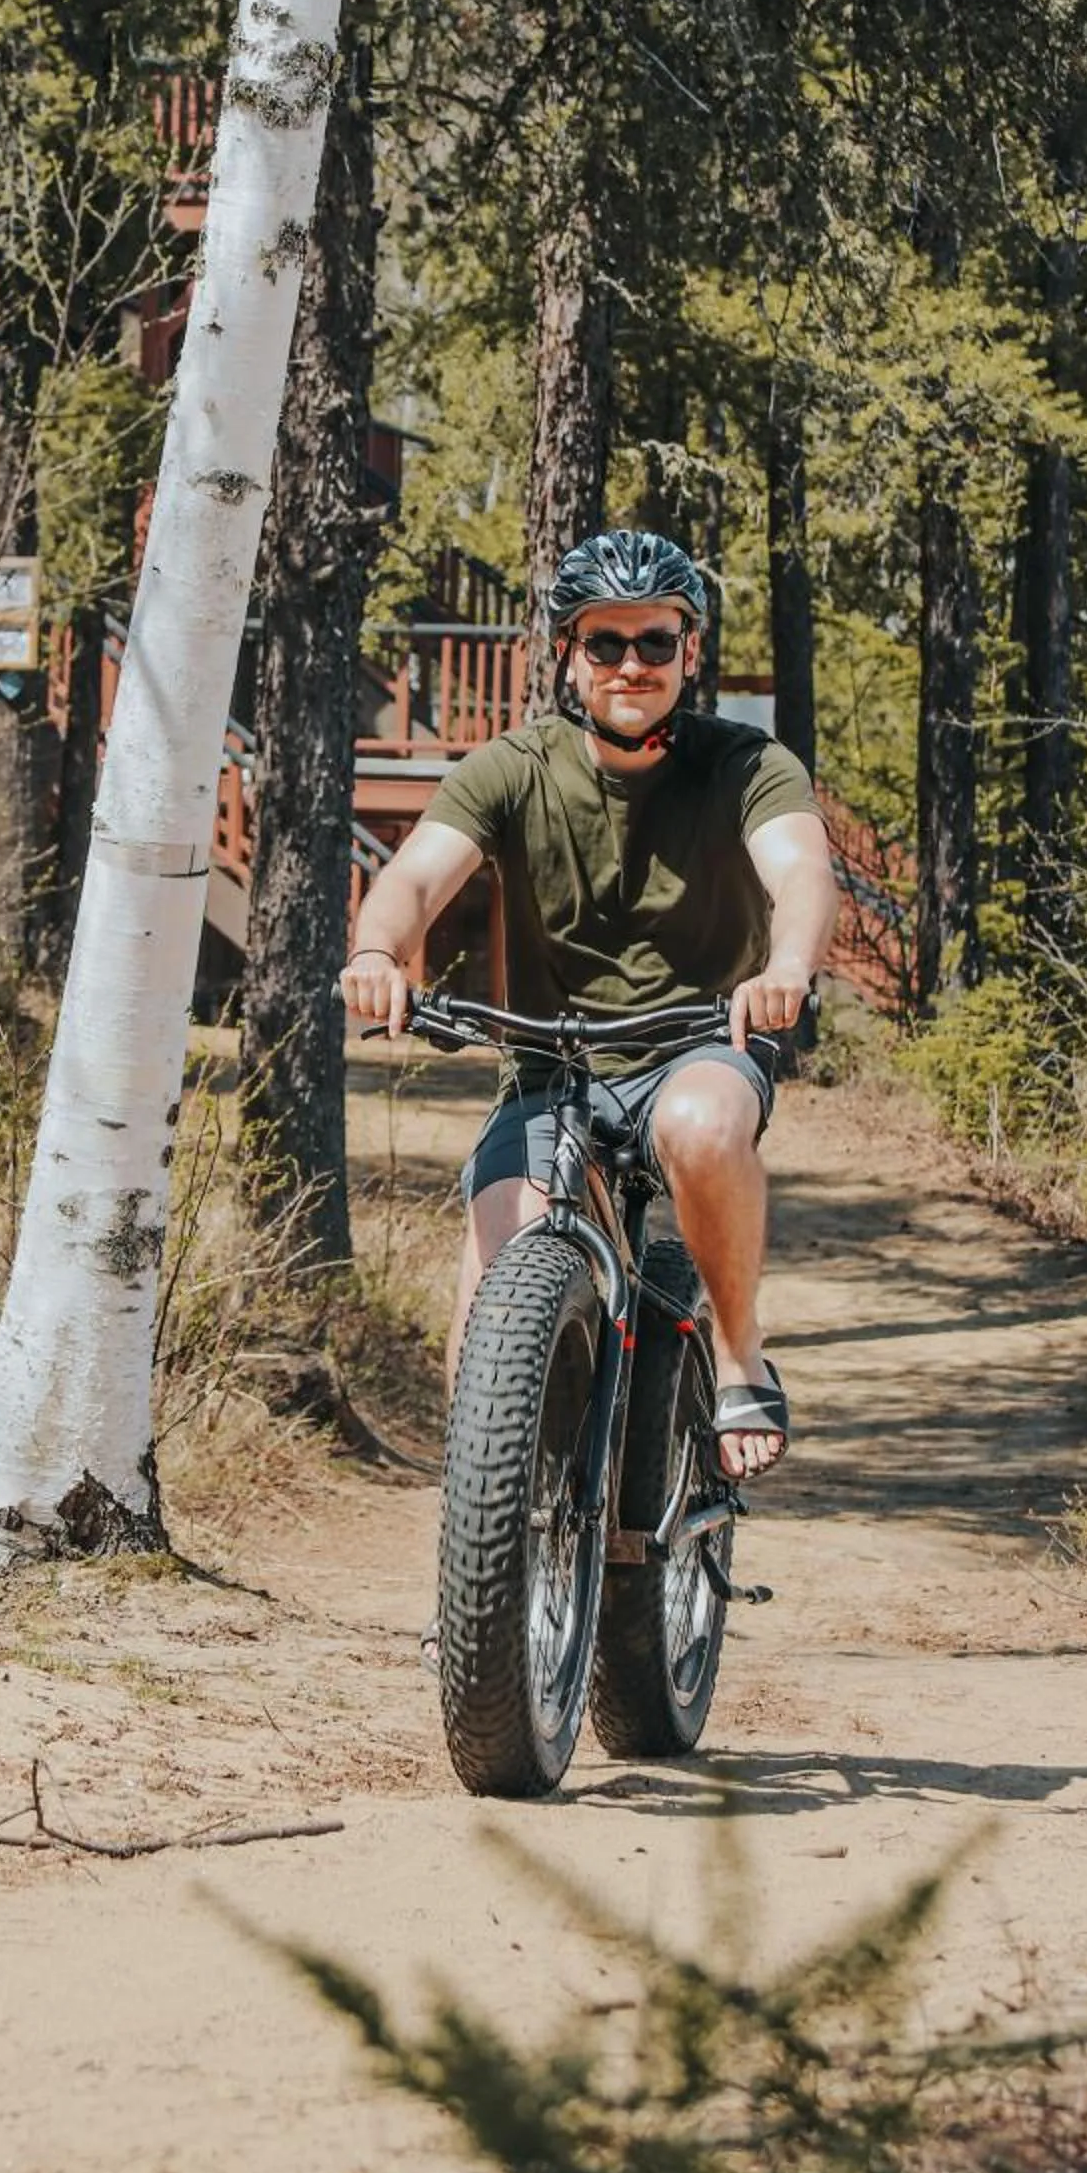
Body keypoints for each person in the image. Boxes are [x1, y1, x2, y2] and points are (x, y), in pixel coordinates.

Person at [339, 528, 841, 1480]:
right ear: (567, 657)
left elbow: (802, 874)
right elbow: (412, 880)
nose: (630, 665)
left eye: (655, 642)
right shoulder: (509, 770)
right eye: (604, 644)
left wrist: (786, 968)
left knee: (698, 1126)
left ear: (690, 652)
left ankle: (737, 1353)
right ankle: (483, 1568)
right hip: (551, 1069)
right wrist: (377, 951)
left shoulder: (747, 766)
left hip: (701, 1046)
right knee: (493, 1279)